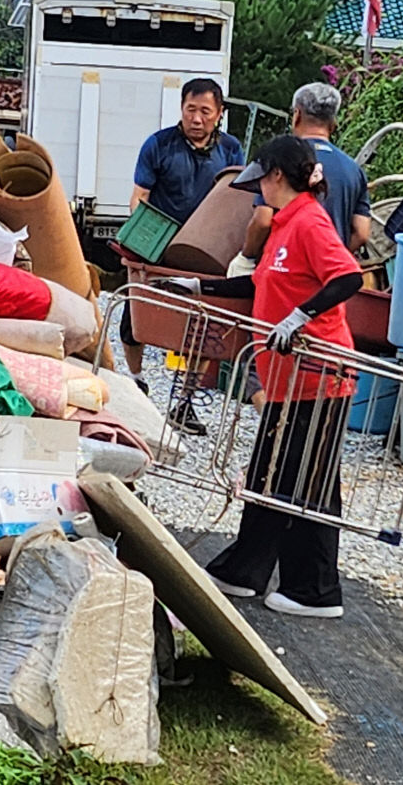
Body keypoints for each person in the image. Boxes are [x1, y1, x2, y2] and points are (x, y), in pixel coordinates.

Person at [167, 136, 363, 618]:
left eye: (263, 182)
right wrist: (199, 286)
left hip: (318, 377)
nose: (260, 192)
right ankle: (254, 573)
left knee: (298, 480)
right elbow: (258, 283)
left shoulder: (310, 222)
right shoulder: (285, 224)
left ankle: (311, 589)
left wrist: (299, 318)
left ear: (276, 176)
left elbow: (348, 278)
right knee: (279, 476)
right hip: (287, 379)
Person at [227, 81, 371, 414]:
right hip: (301, 311)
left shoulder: (288, 173)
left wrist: (252, 257)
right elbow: (361, 233)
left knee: (296, 452)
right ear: (334, 124)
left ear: (296, 115)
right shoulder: (352, 170)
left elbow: (349, 276)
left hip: (311, 349)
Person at [120, 78, 244, 434]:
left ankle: (185, 402)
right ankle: (137, 381)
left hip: (206, 251)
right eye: (191, 109)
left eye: (206, 111)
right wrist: (140, 237)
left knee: (205, 328)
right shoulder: (158, 145)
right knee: (135, 321)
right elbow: (140, 195)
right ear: (181, 109)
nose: (197, 118)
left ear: (219, 114)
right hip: (159, 248)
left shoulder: (232, 150)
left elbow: (237, 200)